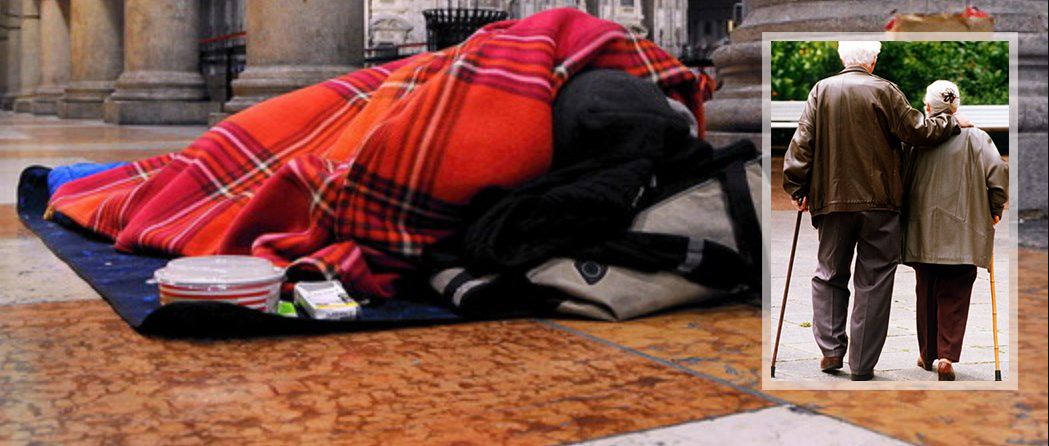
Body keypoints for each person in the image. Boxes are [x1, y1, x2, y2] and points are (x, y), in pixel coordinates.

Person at [782, 41, 972, 381]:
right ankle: (862, 365)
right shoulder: (885, 90)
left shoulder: (821, 90)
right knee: (874, 281)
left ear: (842, 57)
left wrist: (798, 187)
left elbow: (802, 142)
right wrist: (950, 122)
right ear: (873, 61)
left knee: (828, 274)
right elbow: (918, 131)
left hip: (832, 201)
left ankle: (831, 351)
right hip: (880, 204)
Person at [901, 80, 1008, 381]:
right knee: (956, 292)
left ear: (927, 107)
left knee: (926, 289)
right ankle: (946, 357)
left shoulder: (916, 141)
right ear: (956, 105)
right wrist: (995, 208)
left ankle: (927, 354)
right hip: (964, 229)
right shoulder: (977, 138)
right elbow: (998, 173)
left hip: (922, 229)